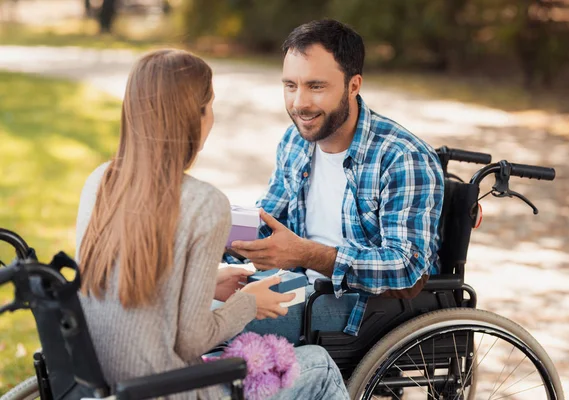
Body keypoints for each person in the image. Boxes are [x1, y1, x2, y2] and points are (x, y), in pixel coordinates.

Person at [75, 49, 349, 400]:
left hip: (105, 384)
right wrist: (249, 303)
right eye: (210, 106)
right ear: (194, 116)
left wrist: (205, 286)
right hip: (170, 391)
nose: (212, 118)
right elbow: (192, 338)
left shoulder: (99, 181)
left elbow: (128, 289)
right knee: (320, 363)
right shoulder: (204, 204)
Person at [227, 20, 445, 344]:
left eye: (316, 86)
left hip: (360, 307)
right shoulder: (295, 140)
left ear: (353, 86)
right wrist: (205, 234)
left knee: (214, 323)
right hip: (297, 284)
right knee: (185, 300)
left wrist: (306, 254)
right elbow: (264, 219)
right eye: (290, 85)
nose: (299, 103)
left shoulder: (402, 157)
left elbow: (407, 269)